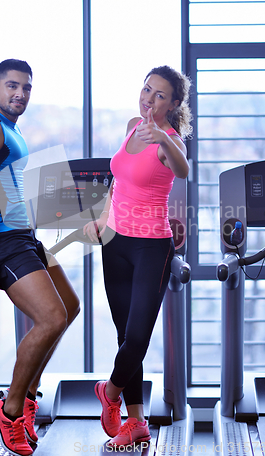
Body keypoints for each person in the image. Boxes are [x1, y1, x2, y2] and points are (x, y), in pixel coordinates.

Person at [0, 59, 80, 456]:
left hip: (23, 234)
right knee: (52, 317)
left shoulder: (11, 127)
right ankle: (8, 411)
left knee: (71, 306)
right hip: (2, 240)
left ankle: (26, 396)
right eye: (12, 86)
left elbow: (6, 182)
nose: (20, 94)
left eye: (26, 87)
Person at [83, 65, 192, 448]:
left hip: (151, 246)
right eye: (147, 90)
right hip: (115, 242)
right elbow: (118, 179)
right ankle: (136, 422)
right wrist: (100, 216)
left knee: (137, 337)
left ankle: (109, 393)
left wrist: (162, 135)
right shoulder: (132, 124)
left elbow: (183, 169)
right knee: (122, 334)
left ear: (174, 103)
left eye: (160, 95)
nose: (149, 99)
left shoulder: (170, 141)